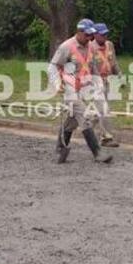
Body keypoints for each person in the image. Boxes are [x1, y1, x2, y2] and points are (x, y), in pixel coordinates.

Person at [49, 19, 112, 164]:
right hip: (69, 90)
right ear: (79, 32)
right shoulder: (66, 47)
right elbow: (52, 67)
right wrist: (57, 83)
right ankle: (98, 153)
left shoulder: (90, 46)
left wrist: (98, 83)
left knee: (72, 120)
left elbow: (93, 66)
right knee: (85, 116)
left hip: (84, 89)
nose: (90, 38)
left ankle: (60, 146)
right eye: (87, 35)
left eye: (92, 36)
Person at [91, 23, 121, 147]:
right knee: (104, 109)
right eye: (102, 34)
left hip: (107, 82)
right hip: (94, 83)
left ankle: (86, 127)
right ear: (95, 34)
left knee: (99, 111)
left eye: (106, 34)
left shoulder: (109, 45)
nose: (105, 36)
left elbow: (113, 62)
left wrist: (119, 75)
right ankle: (106, 138)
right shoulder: (89, 48)